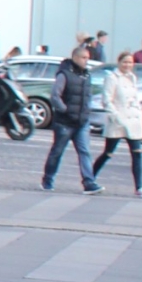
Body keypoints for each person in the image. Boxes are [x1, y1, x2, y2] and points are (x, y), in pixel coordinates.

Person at [40, 38, 104, 194]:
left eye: (88, 58)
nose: (86, 61)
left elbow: (86, 96)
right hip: (65, 122)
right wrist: (65, 109)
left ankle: (89, 182)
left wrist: (86, 112)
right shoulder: (65, 74)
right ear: (75, 58)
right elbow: (55, 95)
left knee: (84, 152)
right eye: (84, 58)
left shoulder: (86, 75)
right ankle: (48, 179)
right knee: (57, 151)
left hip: (81, 121)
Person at [91, 51, 142, 197]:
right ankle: (90, 178)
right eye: (125, 62)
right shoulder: (112, 77)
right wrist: (115, 116)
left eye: (130, 62)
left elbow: (134, 97)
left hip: (133, 120)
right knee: (108, 152)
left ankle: (139, 187)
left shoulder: (132, 77)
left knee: (137, 153)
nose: (127, 65)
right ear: (119, 62)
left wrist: (138, 110)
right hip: (118, 120)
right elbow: (107, 99)